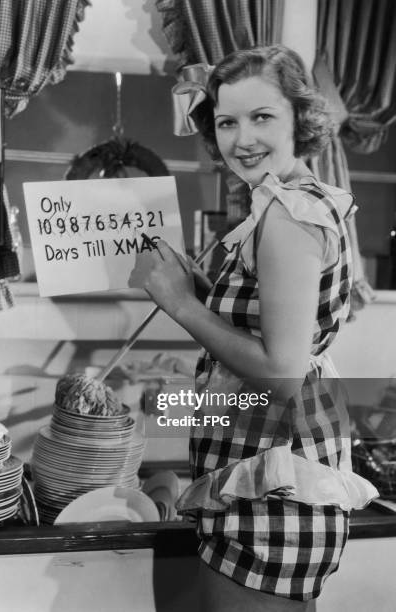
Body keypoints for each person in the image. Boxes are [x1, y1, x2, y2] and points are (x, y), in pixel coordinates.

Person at [129, 45, 378, 611]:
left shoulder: (288, 214)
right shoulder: (290, 202)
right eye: (226, 122)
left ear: (300, 117)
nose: (242, 139)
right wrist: (200, 292)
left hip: (274, 482)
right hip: (271, 463)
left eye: (262, 116)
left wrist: (180, 304)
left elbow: (282, 374)